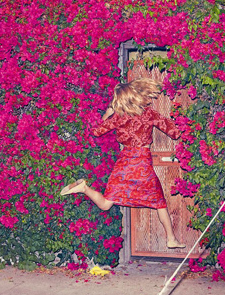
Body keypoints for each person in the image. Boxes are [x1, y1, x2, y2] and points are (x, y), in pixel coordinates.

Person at [60, 78, 186, 249]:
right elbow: (175, 132)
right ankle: (171, 239)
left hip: (124, 162)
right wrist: (181, 122)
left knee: (106, 204)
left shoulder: (119, 117)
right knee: (159, 203)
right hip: (142, 163)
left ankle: (84, 189)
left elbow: (97, 131)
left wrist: (107, 113)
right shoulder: (149, 114)